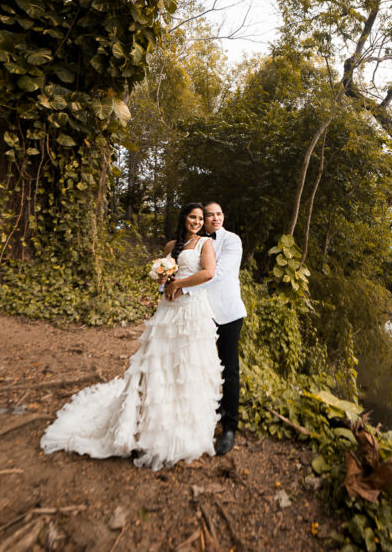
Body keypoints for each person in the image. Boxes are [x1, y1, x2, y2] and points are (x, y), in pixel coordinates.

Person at [39, 203, 222, 470]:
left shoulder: (205, 243)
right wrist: (163, 280)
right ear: (184, 218)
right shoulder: (171, 246)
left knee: (188, 364)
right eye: (191, 217)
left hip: (192, 311)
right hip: (168, 310)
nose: (195, 221)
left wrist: (179, 285)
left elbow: (209, 273)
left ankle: (182, 430)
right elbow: (162, 281)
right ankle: (146, 426)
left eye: (199, 218)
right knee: (159, 362)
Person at [194, 201, 247, 456]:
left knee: (229, 369)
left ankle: (229, 427)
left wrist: (185, 283)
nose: (215, 218)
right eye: (209, 215)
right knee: (202, 365)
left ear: (223, 216)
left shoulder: (232, 241)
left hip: (228, 314)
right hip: (201, 313)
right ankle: (207, 413)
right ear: (202, 219)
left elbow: (218, 273)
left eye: (219, 214)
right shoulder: (198, 241)